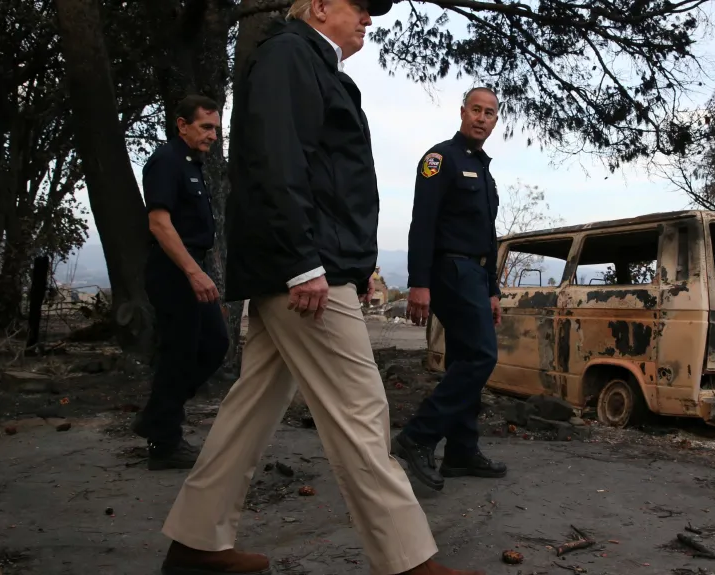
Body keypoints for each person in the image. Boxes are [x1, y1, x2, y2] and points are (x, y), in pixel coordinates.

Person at [156, 1, 482, 574]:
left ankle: (195, 543)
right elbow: (276, 160)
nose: (369, 19)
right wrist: (304, 261)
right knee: (361, 407)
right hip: (306, 270)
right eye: (359, 6)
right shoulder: (288, 56)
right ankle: (408, 562)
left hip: (312, 264)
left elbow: (329, 177)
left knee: (252, 407)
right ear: (322, 5)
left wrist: (344, 266)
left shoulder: (319, 69)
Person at [396, 87, 506, 492]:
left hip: (476, 275)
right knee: (481, 355)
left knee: (465, 355)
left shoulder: (484, 169)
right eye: (475, 110)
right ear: (462, 112)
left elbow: (488, 236)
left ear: (496, 121)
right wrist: (418, 282)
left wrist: (493, 289)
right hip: (449, 269)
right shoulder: (439, 159)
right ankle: (418, 436)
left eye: (489, 113)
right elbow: (421, 223)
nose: (481, 118)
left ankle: (461, 451)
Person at [135, 94, 229, 471]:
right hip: (175, 271)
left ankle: (158, 416)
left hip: (192, 268)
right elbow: (159, 223)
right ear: (182, 124)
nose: (212, 136)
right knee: (180, 353)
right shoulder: (166, 162)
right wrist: (193, 272)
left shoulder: (193, 163)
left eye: (216, 129)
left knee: (215, 345)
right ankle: (164, 443)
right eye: (206, 127)